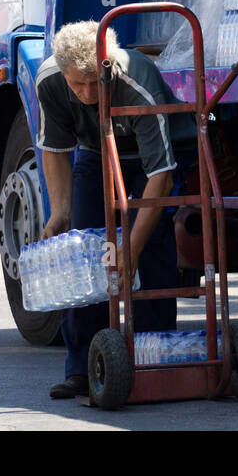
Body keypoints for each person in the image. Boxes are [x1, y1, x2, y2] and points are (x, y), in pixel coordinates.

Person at [35, 20, 195, 399]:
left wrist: (131, 251)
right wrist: (60, 211)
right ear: (63, 74)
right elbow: (55, 150)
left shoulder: (138, 82)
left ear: (108, 64)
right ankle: (84, 366)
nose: (89, 91)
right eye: (79, 84)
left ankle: (152, 358)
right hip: (96, 153)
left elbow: (162, 178)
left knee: (151, 244)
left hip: (153, 161)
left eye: (96, 80)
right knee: (88, 251)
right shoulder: (49, 82)